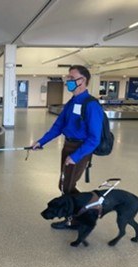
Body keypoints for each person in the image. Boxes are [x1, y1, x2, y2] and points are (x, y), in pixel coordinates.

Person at [31, 65, 104, 229]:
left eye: (71, 78)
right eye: (68, 78)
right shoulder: (72, 102)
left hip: (81, 150)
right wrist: (41, 142)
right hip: (68, 146)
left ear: (82, 80)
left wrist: (76, 156)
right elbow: (58, 126)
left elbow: (94, 139)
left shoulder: (91, 105)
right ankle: (85, 211)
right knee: (65, 186)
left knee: (67, 187)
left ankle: (77, 217)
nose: (68, 81)